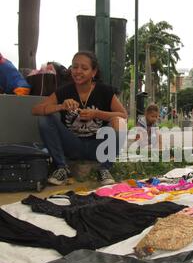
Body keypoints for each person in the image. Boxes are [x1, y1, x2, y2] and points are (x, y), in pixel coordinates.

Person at [32, 51, 127, 186]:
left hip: (98, 146)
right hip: (72, 145)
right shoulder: (64, 91)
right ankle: (62, 168)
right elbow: (36, 110)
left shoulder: (104, 91)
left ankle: (105, 169)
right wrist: (61, 106)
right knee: (44, 119)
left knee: (120, 122)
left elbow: (123, 115)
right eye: (75, 67)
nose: (78, 71)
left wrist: (97, 114)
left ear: (93, 72)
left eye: (84, 68)